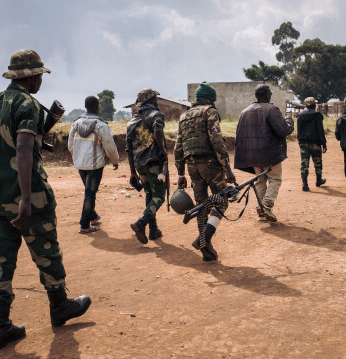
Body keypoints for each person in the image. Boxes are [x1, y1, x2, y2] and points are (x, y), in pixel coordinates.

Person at [0, 49, 91, 351]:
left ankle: (1, 327)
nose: (41, 79)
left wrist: (0, 176)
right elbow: (25, 149)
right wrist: (25, 197)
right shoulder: (27, 104)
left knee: (0, 262)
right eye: (39, 74)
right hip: (28, 196)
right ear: (30, 77)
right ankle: (60, 307)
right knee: (47, 251)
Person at [174, 81, 236, 261]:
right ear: (210, 99)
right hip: (210, 165)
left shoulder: (184, 116)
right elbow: (217, 142)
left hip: (192, 166)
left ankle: (206, 248)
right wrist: (228, 170)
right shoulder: (209, 112)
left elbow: (178, 147)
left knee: (201, 205)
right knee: (222, 200)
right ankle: (205, 238)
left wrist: (181, 173)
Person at [234, 84, 294, 221]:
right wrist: (290, 121)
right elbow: (284, 130)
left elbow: (240, 136)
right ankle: (266, 205)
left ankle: (260, 209)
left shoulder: (244, 112)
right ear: (267, 95)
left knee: (260, 181)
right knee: (275, 179)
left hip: (251, 155)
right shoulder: (272, 109)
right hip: (269, 154)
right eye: (270, 94)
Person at [68, 95, 119, 234]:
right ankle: (84, 225)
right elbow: (109, 146)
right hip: (95, 166)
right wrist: (115, 161)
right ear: (97, 107)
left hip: (80, 165)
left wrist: (77, 158)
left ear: (86, 106)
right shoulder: (101, 125)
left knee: (89, 192)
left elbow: (70, 145)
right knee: (90, 194)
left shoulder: (75, 124)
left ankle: (93, 216)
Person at [126, 88, 168, 244]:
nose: (158, 101)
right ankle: (141, 223)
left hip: (139, 165)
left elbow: (129, 149)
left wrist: (132, 172)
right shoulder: (156, 115)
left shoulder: (131, 122)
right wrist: (163, 150)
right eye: (156, 99)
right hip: (154, 163)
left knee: (149, 194)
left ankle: (153, 230)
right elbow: (158, 130)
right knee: (159, 196)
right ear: (150, 100)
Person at [297, 97, 327, 191]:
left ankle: (304, 184)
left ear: (306, 105)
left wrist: (300, 141)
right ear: (314, 105)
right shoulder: (317, 115)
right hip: (315, 142)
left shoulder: (300, 115)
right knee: (317, 162)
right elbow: (320, 130)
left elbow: (298, 130)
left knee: (304, 163)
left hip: (303, 142)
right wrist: (323, 143)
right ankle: (318, 181)